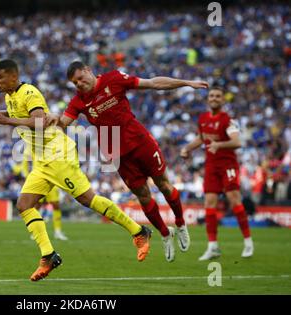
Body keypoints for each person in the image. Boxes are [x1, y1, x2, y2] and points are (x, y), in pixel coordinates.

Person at [0, 59, 152, 282]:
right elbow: (12, 114)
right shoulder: (11, 96)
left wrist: (6, 120)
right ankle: (48, 255)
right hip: (42, 161)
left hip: (57, 155)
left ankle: (139, 231)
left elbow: (38, 122)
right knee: (24, 205)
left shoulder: (29, 93)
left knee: (88, 199)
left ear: (13, 77)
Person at [47, 61, 208, 262]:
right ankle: (166, 234)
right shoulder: (78, 101)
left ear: (89, 70)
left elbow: (152, 83)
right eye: (74, 82)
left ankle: (181, 223)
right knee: (143, 195)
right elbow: (63, 123)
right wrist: (52, 118)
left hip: (140, 141)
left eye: (80, 78)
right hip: (117, 152)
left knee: (164, 186)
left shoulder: (113, 79)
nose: (79, 84)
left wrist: (186, 83)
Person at [180, 86, 254, 260]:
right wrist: (187, 148)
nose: (214, 98)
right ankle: (212, 246)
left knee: (234, 199)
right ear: (208, 99)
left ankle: (248, 242)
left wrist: (219, 145)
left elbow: (237, 142)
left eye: (217, 96)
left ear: (223, 100)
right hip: (211, 166)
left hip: (228, 165)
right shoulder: (203, 118)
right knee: (209, 203)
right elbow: (201, 138)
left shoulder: (228, 120)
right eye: (211, 95)